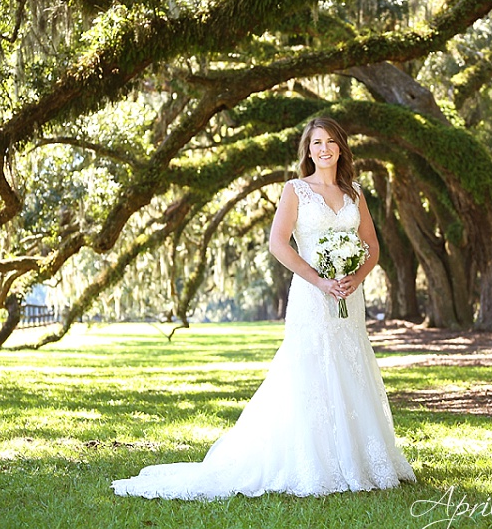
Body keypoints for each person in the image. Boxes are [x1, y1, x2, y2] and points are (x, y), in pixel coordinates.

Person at [111, 117, 416, 500]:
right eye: (316, 142)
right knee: (310, 370)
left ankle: (360, 458)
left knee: (349, 364)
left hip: (348, 296)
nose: (324, 148)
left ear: (341, 148)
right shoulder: (295, 190)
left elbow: (371, 245)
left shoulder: (355, 192)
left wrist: (355, 278)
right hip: (311, 294)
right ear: (308, 150)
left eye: (331, 142)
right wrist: (320, 280)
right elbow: (278, 244)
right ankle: (313, 460)